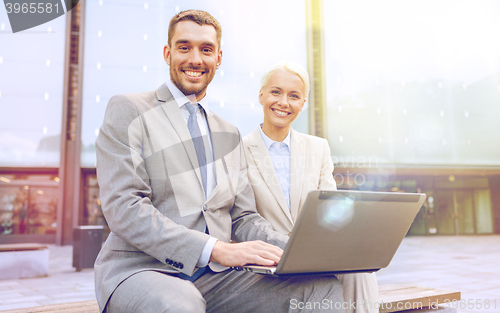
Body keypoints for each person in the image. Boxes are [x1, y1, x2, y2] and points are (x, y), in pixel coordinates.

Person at [94, 10, 345, 313]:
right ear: (167, 53)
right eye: (184, 47)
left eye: (206, 49)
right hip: (144, 270)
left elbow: (243, 218)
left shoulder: (228, 132)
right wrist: (215, 249)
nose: (195, 59)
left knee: (320, 287)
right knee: (180, 305)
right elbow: (124, 207)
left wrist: (299, 249)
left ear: (219, 58)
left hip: (215, 278)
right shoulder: (130, 109)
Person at [243, 62, 380, 313]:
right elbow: (240, 217)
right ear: (261, 95)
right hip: (267, 258)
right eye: (276, 92)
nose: (284, 102)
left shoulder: (318, 148)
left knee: (360, 270)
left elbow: (331, 209)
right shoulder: (238, 150)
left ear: (302, 103)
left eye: (293, 96)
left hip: (316, 253)